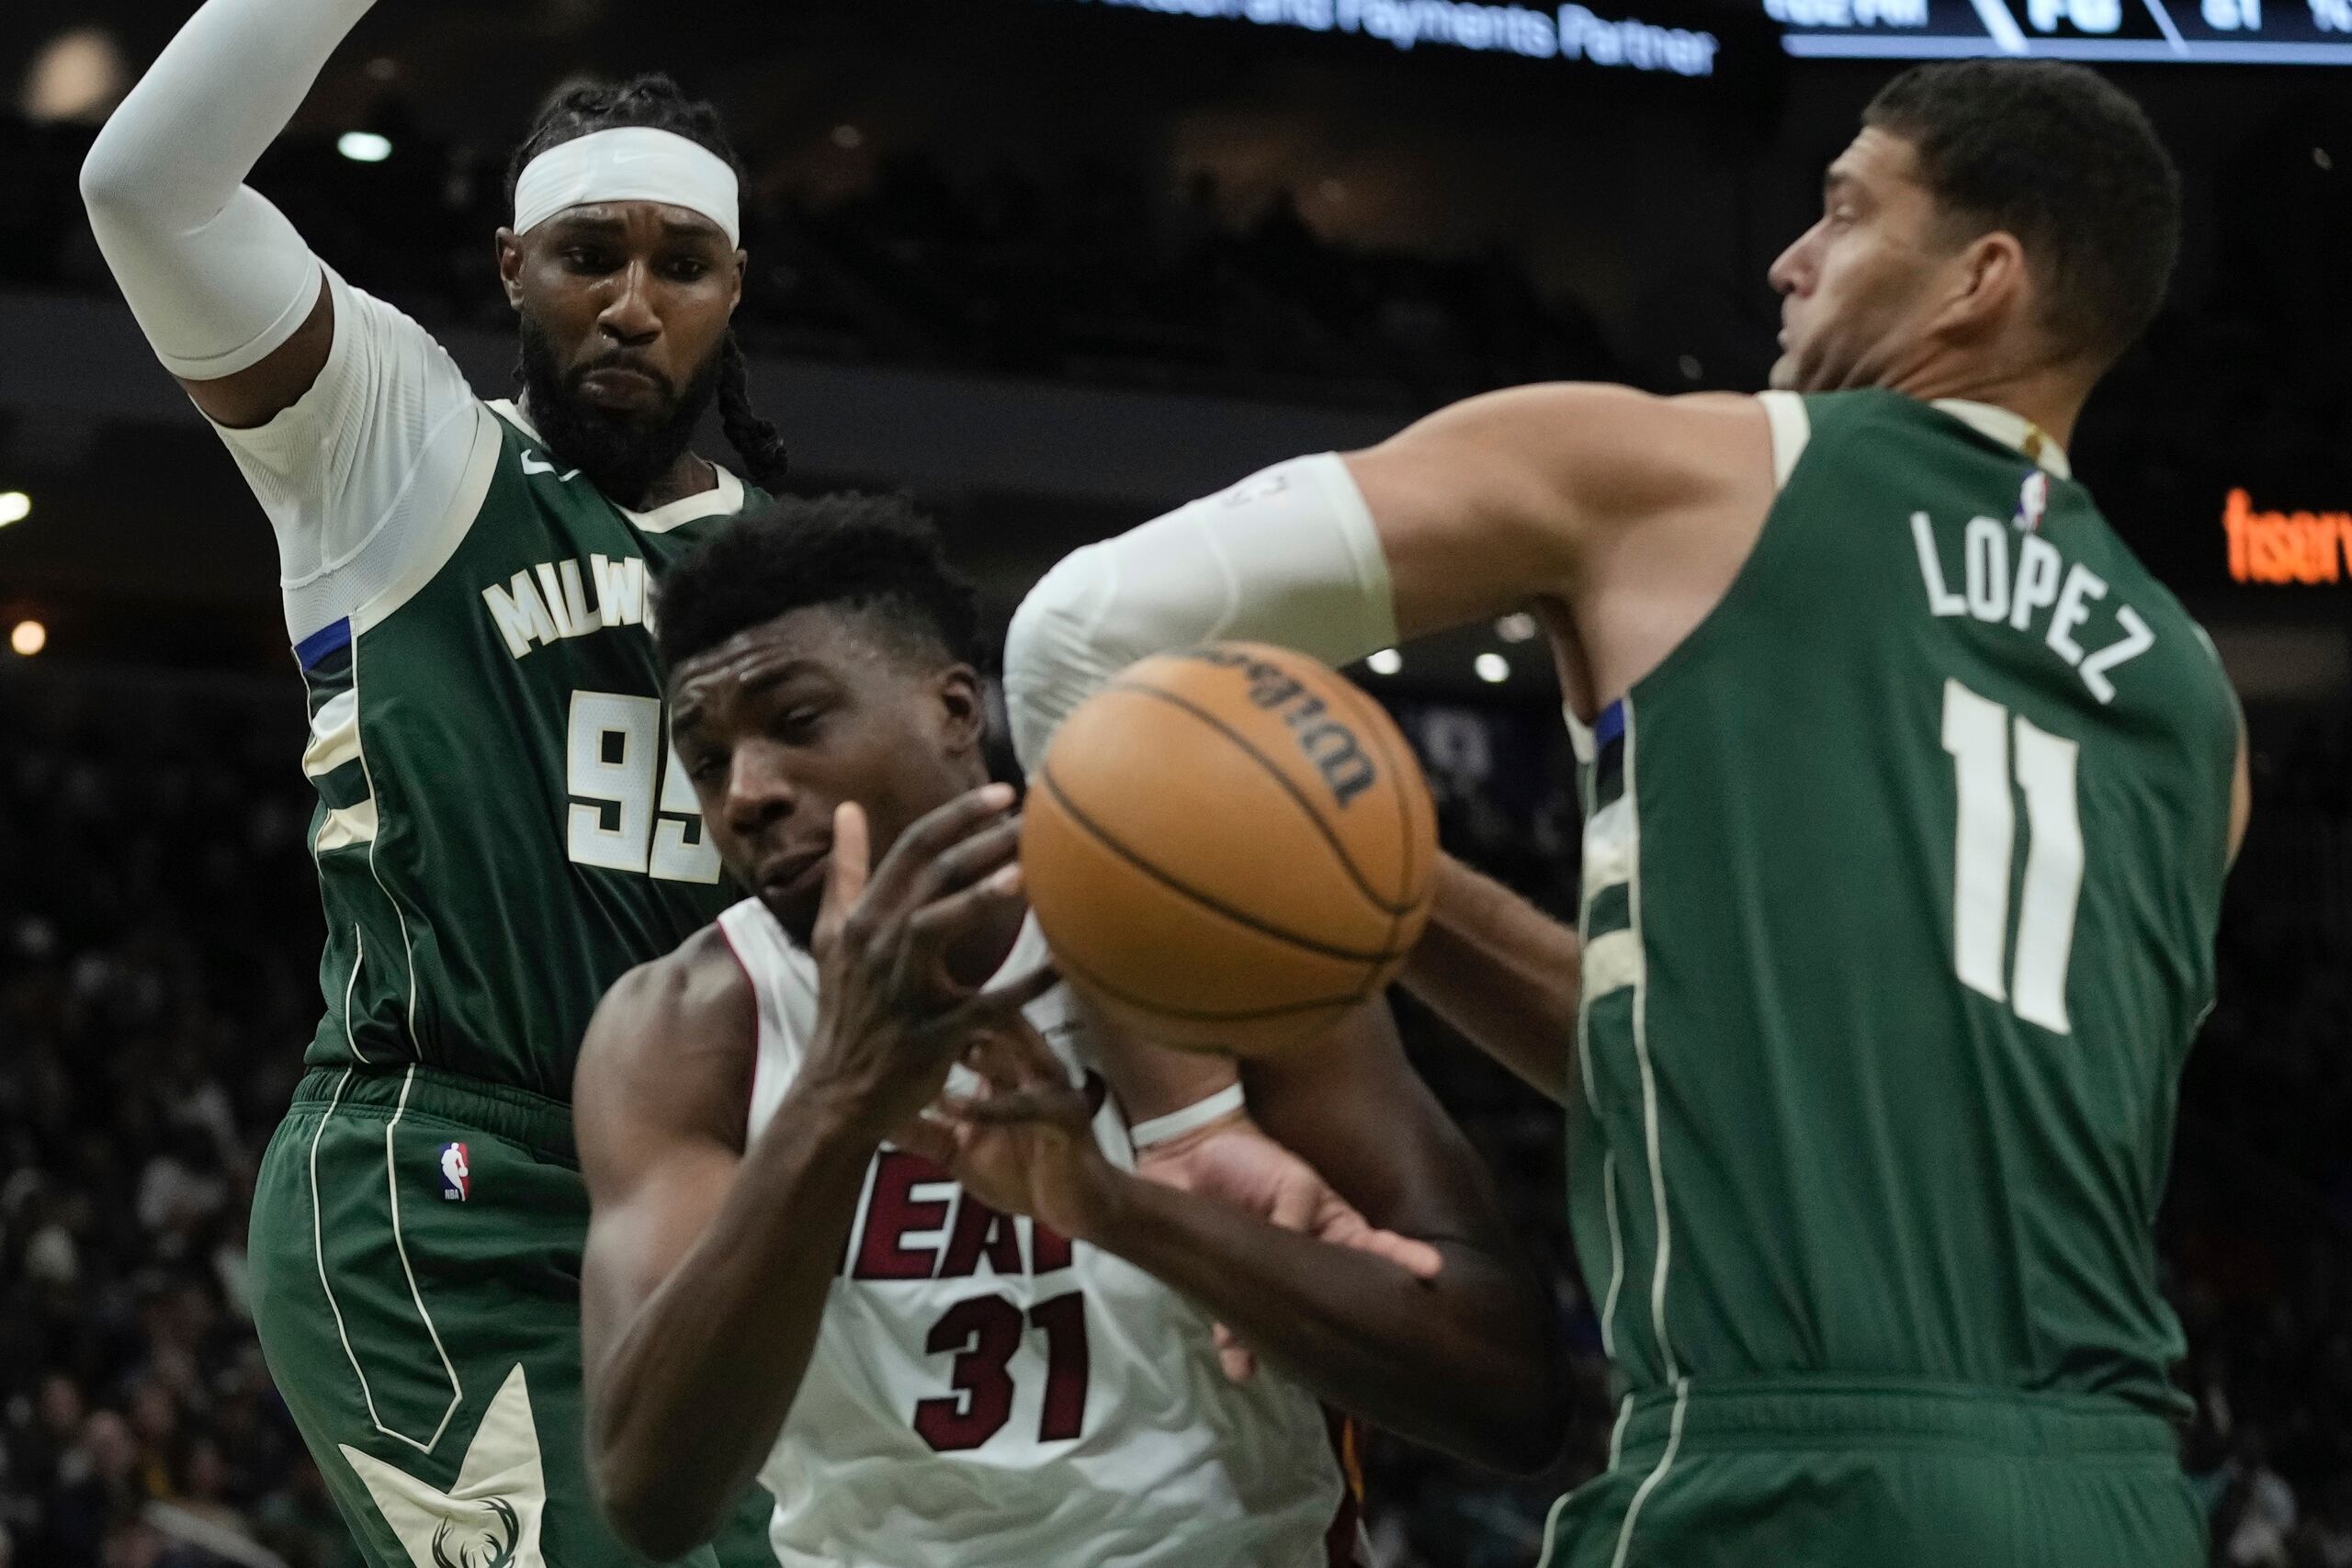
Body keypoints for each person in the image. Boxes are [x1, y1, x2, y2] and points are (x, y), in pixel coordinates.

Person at [1001, 60, 2249, 1568]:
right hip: (2120, 1495)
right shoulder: (2196, 701)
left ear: (1980, 279)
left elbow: (1077, 639)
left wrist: (1194, 1122)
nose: (1789, 260)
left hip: (1781, 1489)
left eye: (1845, 214)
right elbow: (1746, 1091)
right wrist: (1397, 892)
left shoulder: (1674, 474)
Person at [79, 3, 789, 1562]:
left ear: (736, 291)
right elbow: (147, 189)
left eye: (681, 263)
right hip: (444, 1189)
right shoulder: (402, 449)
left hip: (720, 1211)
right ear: (509, 268)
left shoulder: (814, 590)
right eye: (587, 250)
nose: (629, 300)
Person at [570, 495, 1566, 1566]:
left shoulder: (1201, 928)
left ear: (957, 712)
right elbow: (649, 1496)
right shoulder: (682, 1031)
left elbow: (1504, 1395)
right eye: (707, 760)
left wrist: (1117, 1211)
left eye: (798, 723)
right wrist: (840, 1098)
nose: (749, 794)